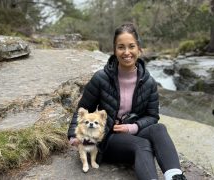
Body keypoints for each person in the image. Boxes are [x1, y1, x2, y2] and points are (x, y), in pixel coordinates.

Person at [68, 23, 187, 180]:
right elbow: (83, 108)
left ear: (139, 49)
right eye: (121, 47)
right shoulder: (101, 78)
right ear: (114, 50)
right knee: (143, 145)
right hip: (108, 138)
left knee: (159, 129)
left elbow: (152, 116)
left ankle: (175, 177)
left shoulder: (149, 82)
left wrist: (132, 127)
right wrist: (73, 135)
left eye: (131, 46)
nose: (126, 52)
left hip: (133, 132)